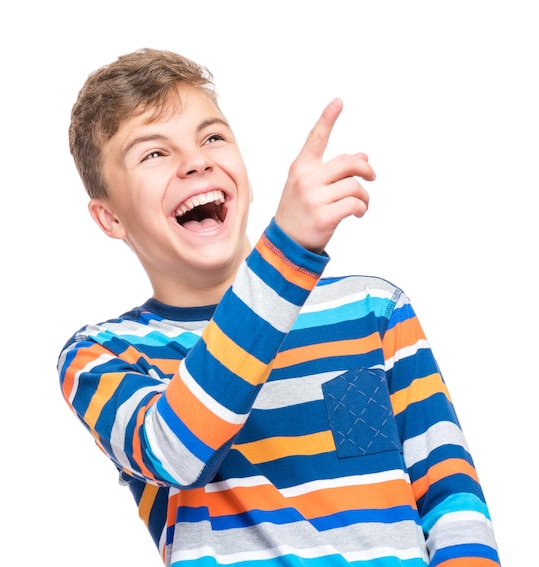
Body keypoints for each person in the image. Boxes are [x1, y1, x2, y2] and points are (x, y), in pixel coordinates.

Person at [58, 48, 501, 567]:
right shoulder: (101, 355)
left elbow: (451, 498)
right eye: (154, 153)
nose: (196, 160)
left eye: (212, 137)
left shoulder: (373, 310)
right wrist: (286, 251)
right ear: (110, 218)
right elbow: (174, 451)